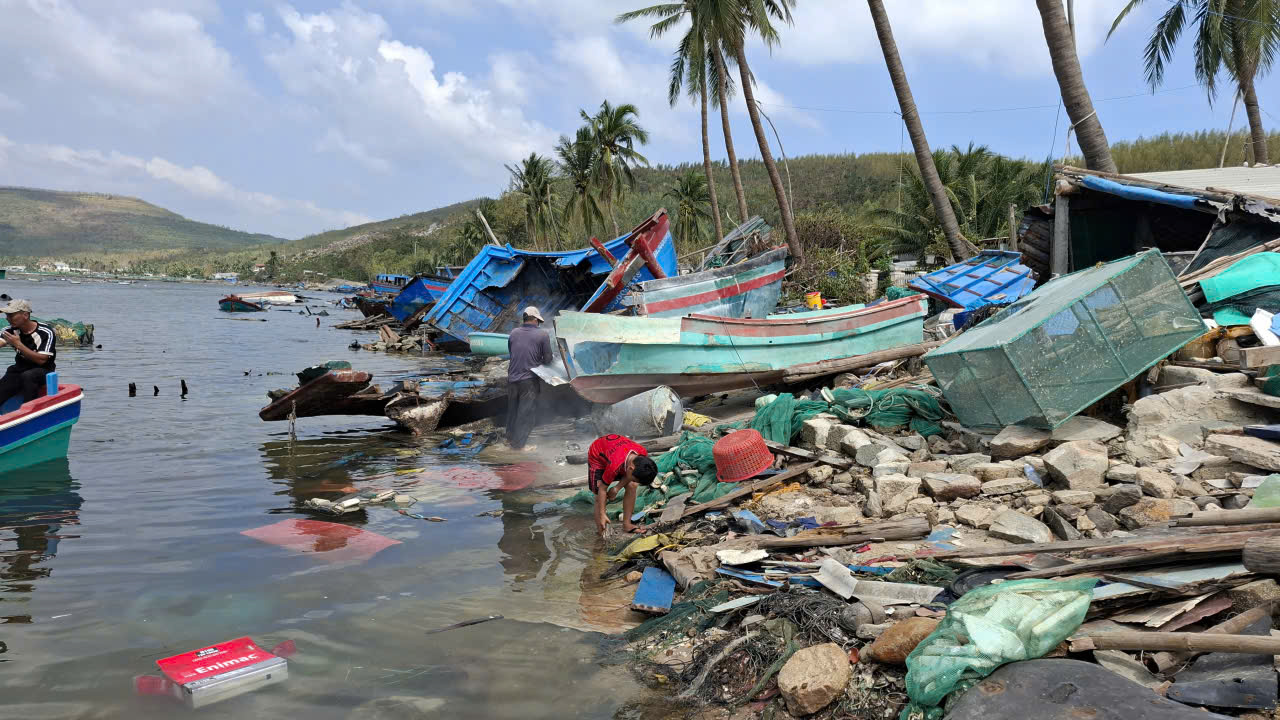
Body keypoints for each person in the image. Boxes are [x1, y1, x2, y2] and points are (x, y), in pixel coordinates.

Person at [588, 434, 658, 536]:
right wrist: (603, 514)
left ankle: (627, 524)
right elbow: (602, 489)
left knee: (632, 485)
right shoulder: (614, 466)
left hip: (617, 453)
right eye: (635, 478)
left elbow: (630, 476)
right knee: (598, 496)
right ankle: (601, 533)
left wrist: (616, 488)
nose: (635, 481)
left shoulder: (642, 454)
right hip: (598, 456)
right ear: (630, 469)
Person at [506, 306, 552, 451]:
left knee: (513, 411)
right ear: (535, 320)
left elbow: (512, 352)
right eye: (538, 321)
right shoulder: (543, 335)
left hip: (512, 378)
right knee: (526, 414)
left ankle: (509, 440)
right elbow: (548, 359)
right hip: (528, 381)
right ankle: (518, 447)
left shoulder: (513, 333)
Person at [0, 299, 57, 407]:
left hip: (43, 371)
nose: (7, 319)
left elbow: (42, 360)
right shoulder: (10, 330)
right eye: (7, 315)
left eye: (11, 315)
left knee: (29, 376)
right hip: (19, 369)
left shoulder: (45, 332)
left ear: (25, 315)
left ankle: (29, 411)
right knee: (9, 378)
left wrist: (18, 344)